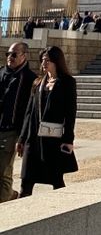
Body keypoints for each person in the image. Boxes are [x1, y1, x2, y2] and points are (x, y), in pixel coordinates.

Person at [16, 46, 78, 195]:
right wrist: (22, 138)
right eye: (43, 60)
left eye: (48, 60)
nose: (44, 63)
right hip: (33, 137)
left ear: (56, 61)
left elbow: (70, 113)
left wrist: (68, 139)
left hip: (52, 138)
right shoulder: (38, 83)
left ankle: (61, 210)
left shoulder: (67, 82)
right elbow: (29, 112)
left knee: (56, 179)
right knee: (26, 180)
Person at [0, 43, 36, 202]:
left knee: (3, 172)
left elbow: (30, 111)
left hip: (12, 131)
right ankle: (12, 196)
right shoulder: (1, 73)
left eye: (14, 54)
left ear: (24, 56)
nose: (10, 57)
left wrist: (23, 137)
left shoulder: (30, 79)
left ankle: (4, 204)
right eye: (8, 54)